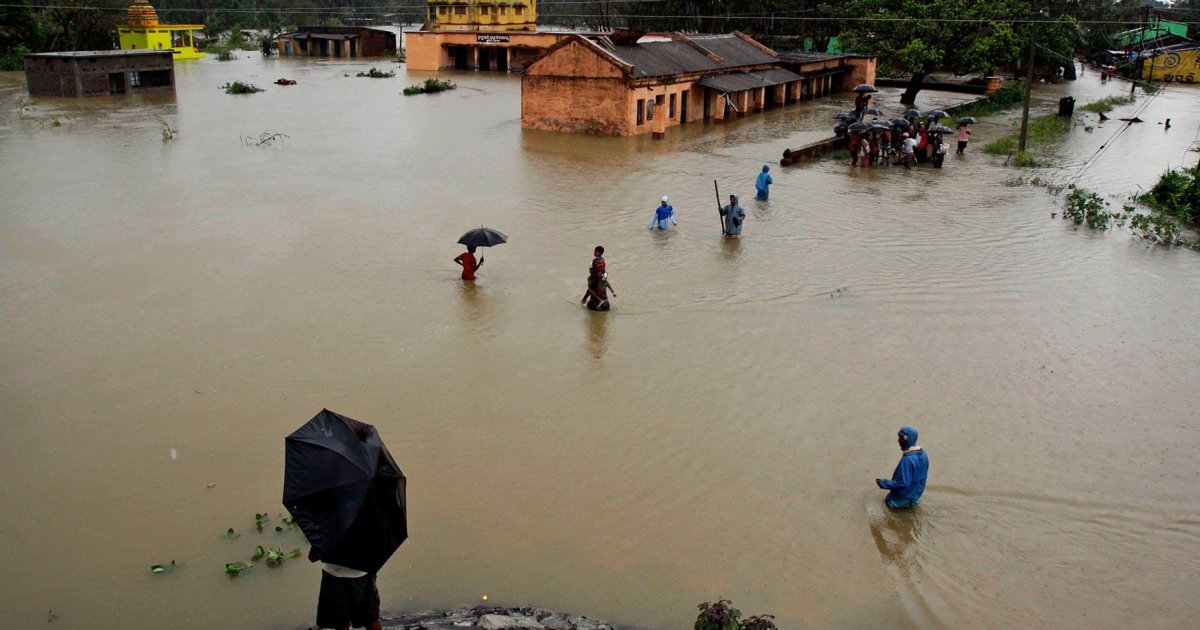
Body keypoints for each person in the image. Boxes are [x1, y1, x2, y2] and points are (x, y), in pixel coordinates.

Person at [310, 548, 382, 630]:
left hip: (333, 575)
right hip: (363, 574)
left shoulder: (327, 535)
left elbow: (312, 557)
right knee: (371, 619)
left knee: (341, 622)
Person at [875, 426, 929, 509]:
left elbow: (903, 483)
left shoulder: (907, 460)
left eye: (901, 438)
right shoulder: (923, 454)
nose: (899, 441)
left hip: (900, 499)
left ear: (908, 439)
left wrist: (884, 483)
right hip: (915, 497)